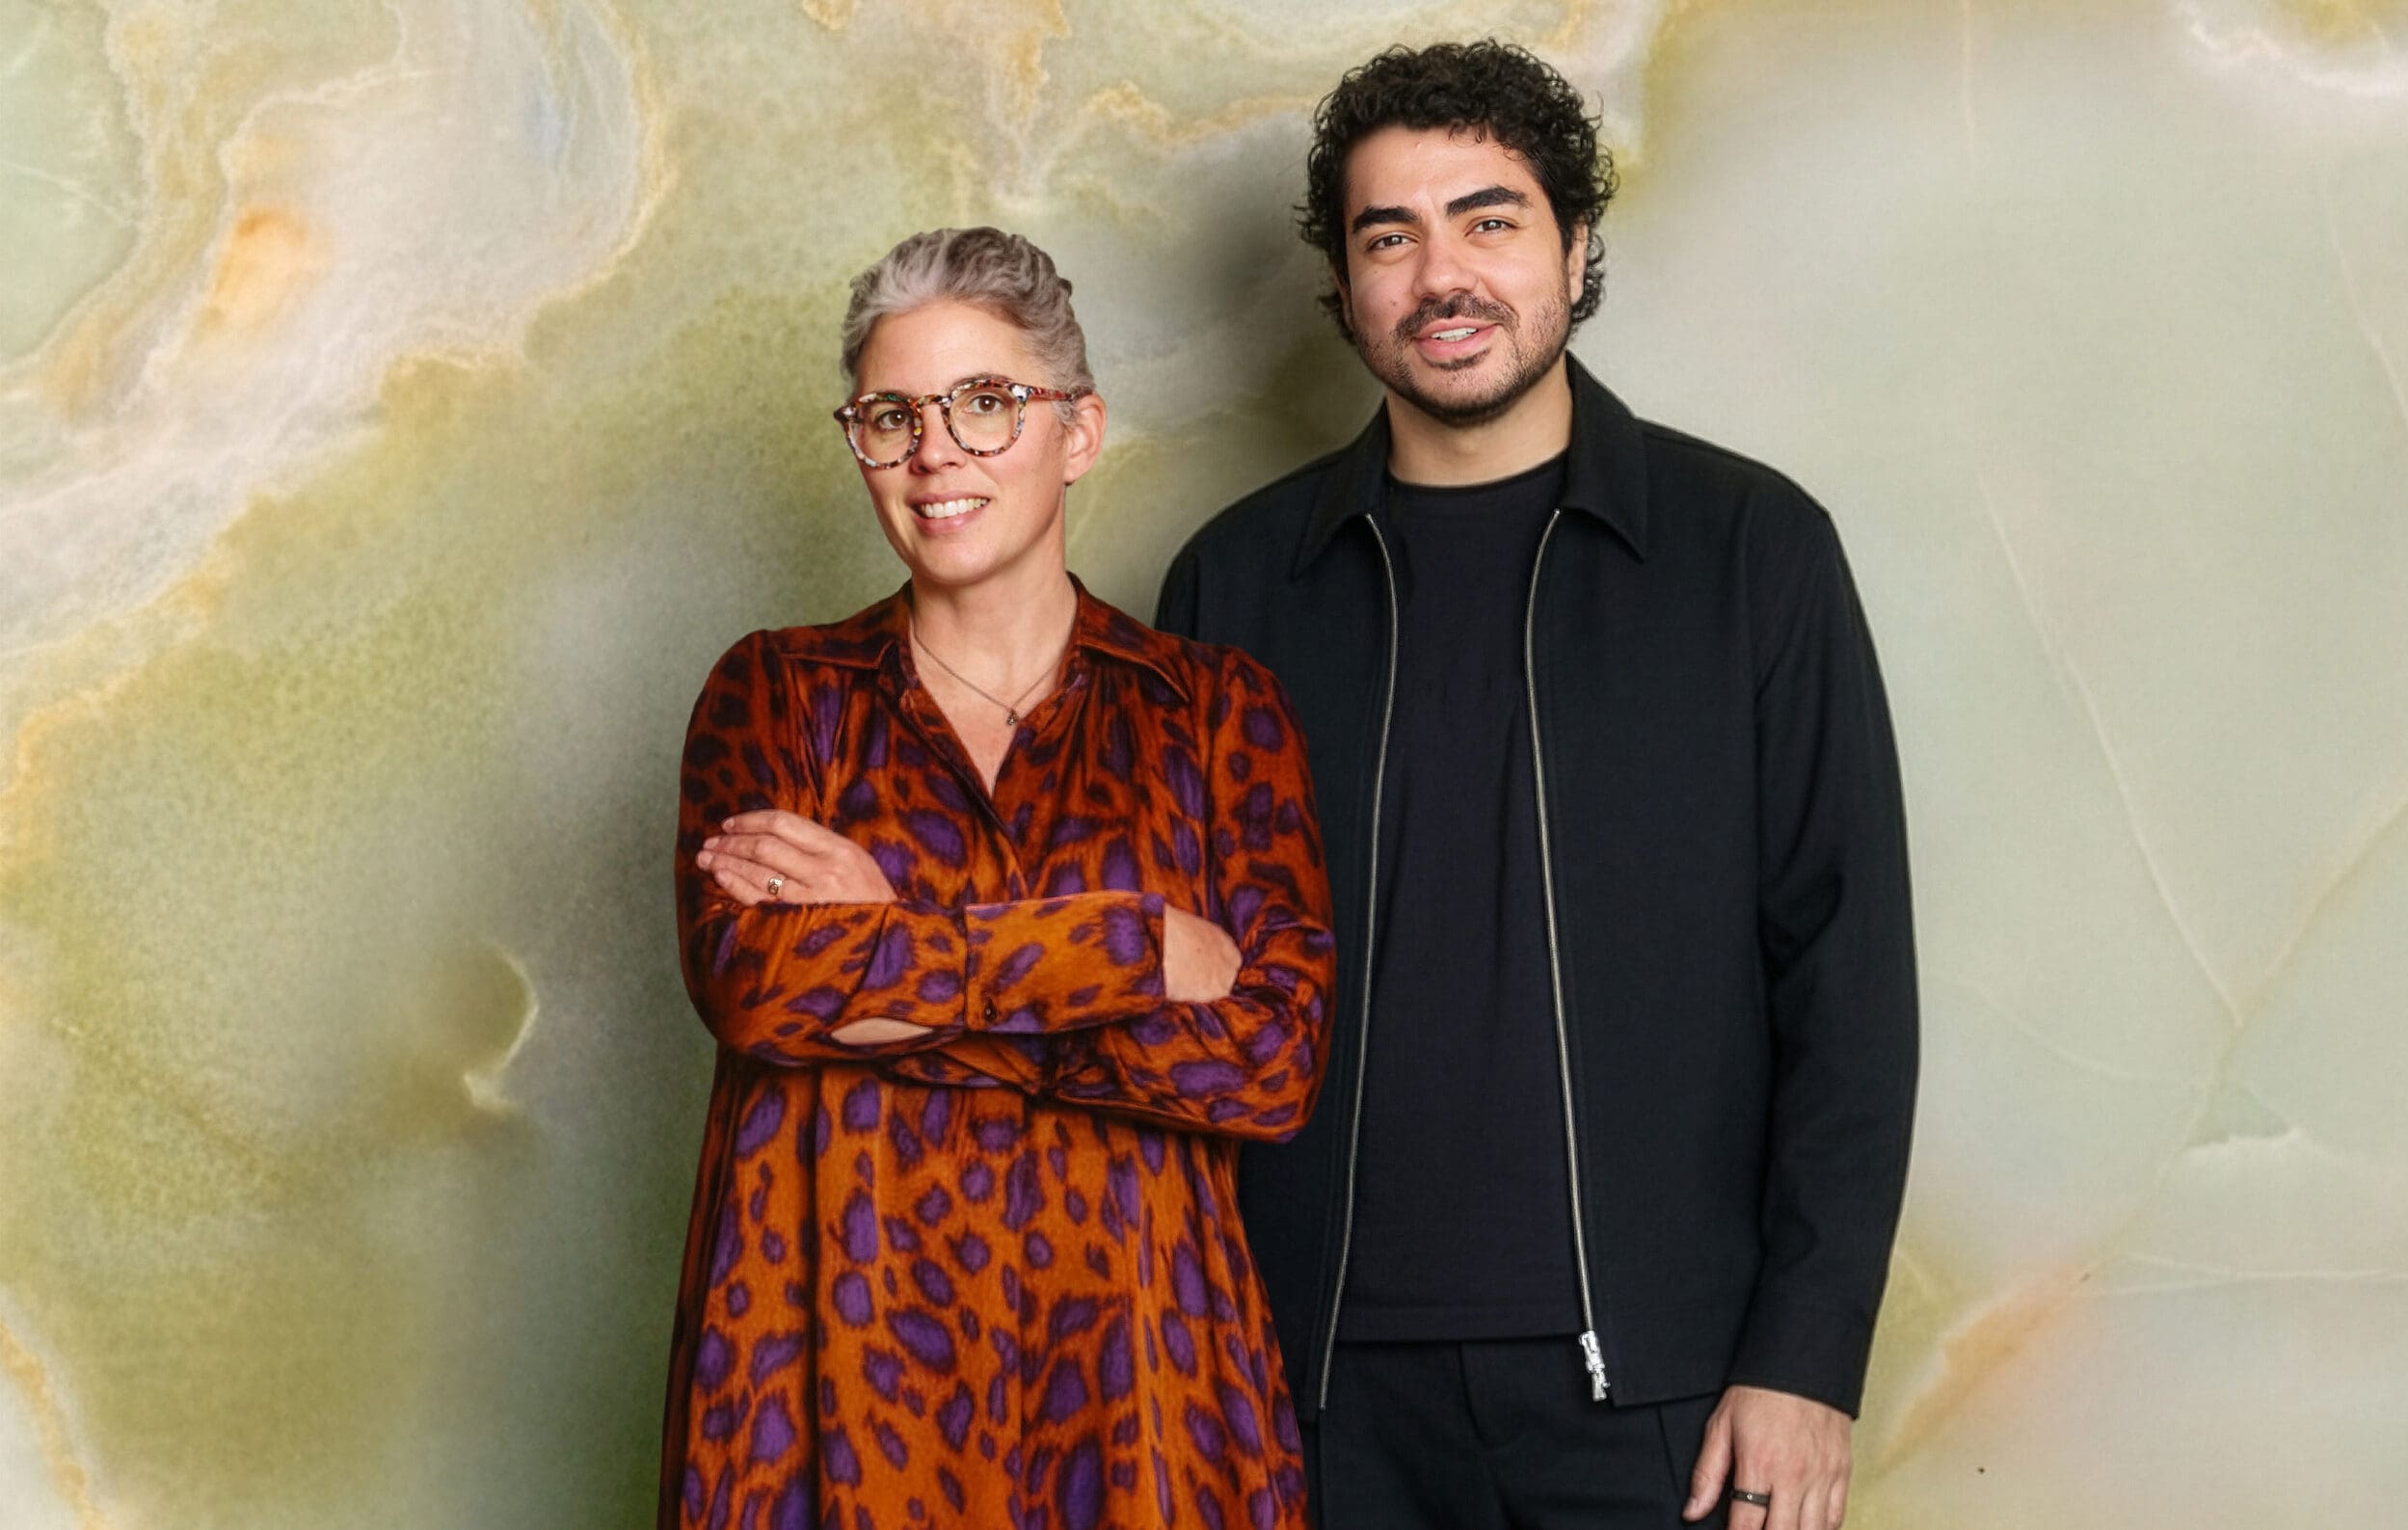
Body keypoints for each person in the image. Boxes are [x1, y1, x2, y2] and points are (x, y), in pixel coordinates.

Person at [1155, 41, 1919, 1530]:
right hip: (1306, 1396)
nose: (1441, 274)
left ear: (1573, 249)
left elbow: (1850, 985)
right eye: (1391, 236)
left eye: (1489, 221)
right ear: (1345, 286)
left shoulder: (1749, 552)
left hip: (1665, 1394)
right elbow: (1164, 982)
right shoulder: (1236, 585)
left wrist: (1805, 1359)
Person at [660, 226, 1333, 1530]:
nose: (935, 452)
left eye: (984, 402)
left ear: (1077, 432)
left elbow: (1270, 1063)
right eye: (892, 416)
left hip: (1144, 1391)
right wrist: (1126, 947)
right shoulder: (780, 693)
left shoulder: (1213, 713)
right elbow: (758, 989)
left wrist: (892, 948)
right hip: (829, 1384)